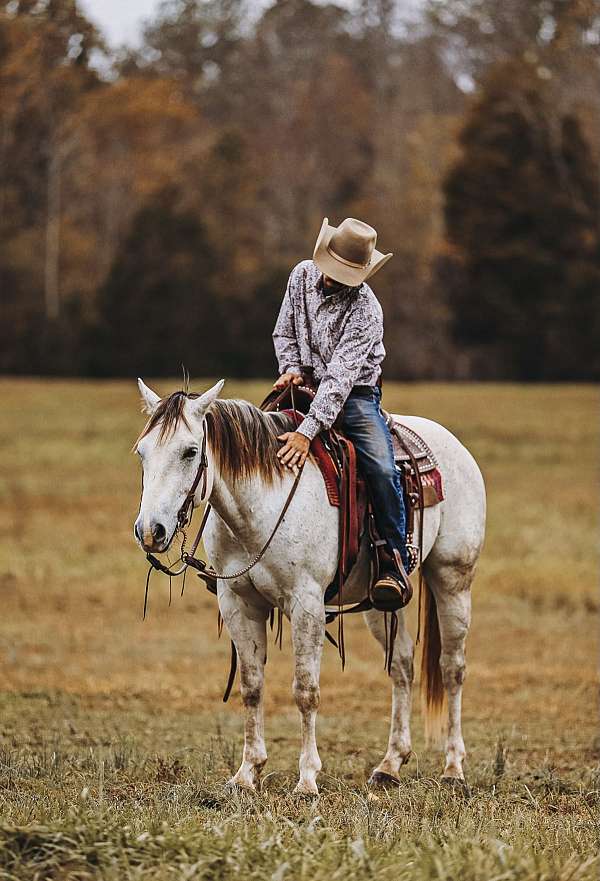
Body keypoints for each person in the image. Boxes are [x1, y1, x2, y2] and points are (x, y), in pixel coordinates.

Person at [272, 217, 412, 610]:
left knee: (382, 467)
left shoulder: (367, 310)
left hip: (355, 396)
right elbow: (283, 331)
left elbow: (339, 381)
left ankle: (392, 558)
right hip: (302, 384)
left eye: (346, 276)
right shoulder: (300, 276)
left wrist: (307, 432)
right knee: (250, 443)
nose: (334, 280)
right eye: (333, 272)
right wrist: (291, 367)